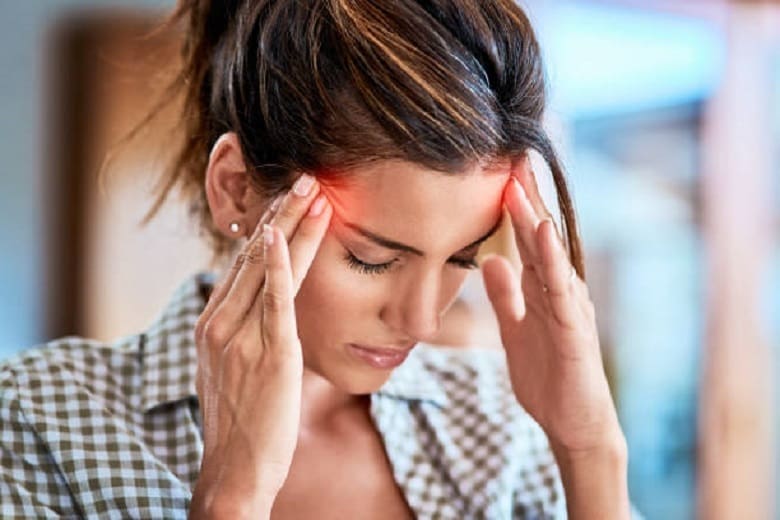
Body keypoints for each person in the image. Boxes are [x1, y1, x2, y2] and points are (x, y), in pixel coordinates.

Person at [0, 0, 640, 518]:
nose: (422, 322)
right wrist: (233, 497)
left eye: (460, 259)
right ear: (236, 187)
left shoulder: (502, 434)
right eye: (371, 258)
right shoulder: (38, 423)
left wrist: (591, 452)